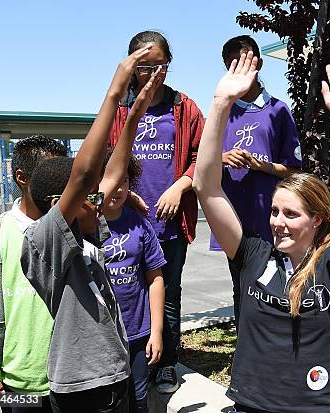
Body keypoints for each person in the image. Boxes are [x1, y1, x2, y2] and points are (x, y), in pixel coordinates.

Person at [193, 52, 330, 412]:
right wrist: (221, 105)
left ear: (317, 219)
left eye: (290, 213)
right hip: (251, 405)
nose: (277, 221)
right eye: (273, 211)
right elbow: (206, 187)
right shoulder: (252, 254)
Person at [20, 45, 162, 412]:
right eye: (90, 195)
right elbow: (84, 174)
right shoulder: (43, 242)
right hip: (82, 386)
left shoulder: (85, 236)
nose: (102, 196)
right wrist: (114, 93)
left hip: (112, 372)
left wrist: (134, 117)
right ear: (59, 206)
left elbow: (112, 175)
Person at [109, 31, 204, 393]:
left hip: (170, 223)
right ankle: (130, 360)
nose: (152, 73)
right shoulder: (120, 109)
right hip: (127, 222)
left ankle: (165, 363)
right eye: (144, 66)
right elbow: (106, 158)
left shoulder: (185, 108)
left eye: (160, 66)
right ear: (131, 67)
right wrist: (126, 194)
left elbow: (202, 156)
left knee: (169, 293)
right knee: (126, 293)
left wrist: (181, 185)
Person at [210, 34, 302, 327]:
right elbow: (201, 164)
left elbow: (294, 170)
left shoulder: (278, 110)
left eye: (246, 64)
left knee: (275, 282)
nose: (239, 72)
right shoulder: (223, 112)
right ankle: (246, 346)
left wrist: (265, 166)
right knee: (241, 284)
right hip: (233, 216)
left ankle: (278, 341)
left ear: (259, 64)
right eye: (231, 66)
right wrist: (222, 158)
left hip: (271, 219)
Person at [0, 135, 68, 412]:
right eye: (51, 175)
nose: (62, 183)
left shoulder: (74, 230)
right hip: (16, 382)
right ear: (22, 178)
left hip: (72, 379)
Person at [101, 151, 166, 413]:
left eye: (124, 181)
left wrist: (157, 332)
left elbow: (156, 279)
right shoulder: (83, 225)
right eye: (111, 180)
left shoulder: (140, 225)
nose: (118, 188)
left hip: (138, 333)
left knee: (139, 399)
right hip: (102, 338)